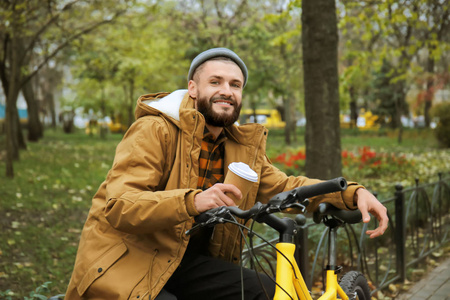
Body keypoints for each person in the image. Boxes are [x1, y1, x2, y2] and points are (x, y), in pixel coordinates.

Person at [65, 48, 388, 300]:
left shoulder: (239, 146)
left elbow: (284, 186)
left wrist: (351, 193)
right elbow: (121, 205)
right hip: (130, 260)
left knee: (265, 290)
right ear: (192, 87)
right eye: (215, 82)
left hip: (185, 262)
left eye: (235, 85)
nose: (226, 91)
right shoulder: (154, 130)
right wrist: (193, 201)